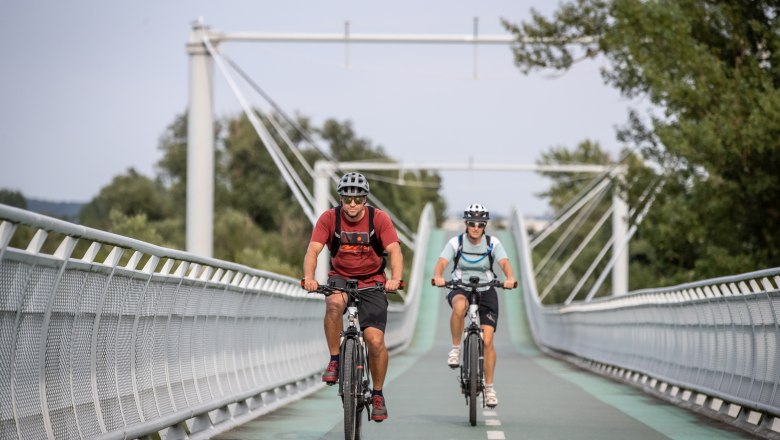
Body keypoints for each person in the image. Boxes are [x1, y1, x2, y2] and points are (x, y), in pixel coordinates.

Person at [303, 172, 403, 422]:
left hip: (373, 282)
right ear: (340, 198)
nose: (352, 205)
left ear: (365, 199)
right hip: (341, 277)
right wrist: (309, 277)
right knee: (334, 304)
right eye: (347, 199)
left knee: (374, 340)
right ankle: (335, 360)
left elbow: (394, 250)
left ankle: (377, 394)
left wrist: (395, 279)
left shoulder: (378, 219)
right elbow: (313, 250)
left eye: (357, 199)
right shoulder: (329, 218)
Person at [432, 203, 516, 408]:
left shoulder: (492, 242)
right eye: (471, 223)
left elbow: (504, 263)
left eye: (480, 223)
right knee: (459, 307)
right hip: (461, 286)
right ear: (466, 224)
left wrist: (510, 278)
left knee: (488, 341)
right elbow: (442, 262)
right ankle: (455, 348)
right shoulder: (456, 242)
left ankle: (489, 388)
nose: (476, 227)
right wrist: (438, 276)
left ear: (485, 225)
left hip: (486, 289)